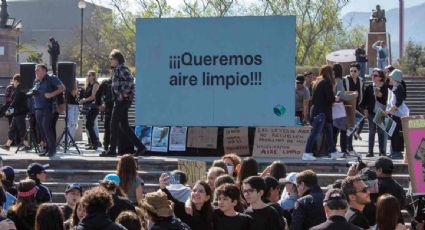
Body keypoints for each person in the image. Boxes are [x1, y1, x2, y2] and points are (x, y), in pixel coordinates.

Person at [104, 49, 146, 156]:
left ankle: (112, 150)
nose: (110, 61)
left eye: (111, 59)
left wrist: (124, 93)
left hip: (122, 100)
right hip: (120, 100)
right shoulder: (117, 69)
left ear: (117, 59)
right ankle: (140, 147)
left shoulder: (121, 69)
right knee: (124, 126)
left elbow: (130, 79)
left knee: (113, 124)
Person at [303, 65, 342, 160]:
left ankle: (333, 151)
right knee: (315, 133)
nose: (333, 73)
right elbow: (329, 99)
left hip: (320, 112)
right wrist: (335, 98)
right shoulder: (327, 83)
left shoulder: (318, 82)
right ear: (329, 73)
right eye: (332, 72)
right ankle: (307, 153)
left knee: (329, 133)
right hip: (322, 113)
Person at [32, 64, 65, 157]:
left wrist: (51, 94)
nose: (36, 72)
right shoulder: (37, 81)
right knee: (42, 129)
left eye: (37, 70)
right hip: (38, 108)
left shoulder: (51, 78)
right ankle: (46, 149)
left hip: (48, 108)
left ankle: (52, 150)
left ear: (44, 71)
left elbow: (62, 88)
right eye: (35, 70)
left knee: (47, 128)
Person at [361, 68, 388, 157]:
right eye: (372, 75)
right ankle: (370, 151)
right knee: (371, 131)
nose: (373, 77)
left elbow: (387, 100)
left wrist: (380, 95)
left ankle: (382, 151)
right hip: (371, 112)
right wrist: (365, 109)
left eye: (375, 75)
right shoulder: (369, 87)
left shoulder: (385, 87)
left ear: (380, 78)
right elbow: (364, 100)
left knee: (381, 132)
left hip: (381, 112)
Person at [0, 74, 29, 151]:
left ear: (16, 81)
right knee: (13, 129)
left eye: (13, 81)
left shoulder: (19, 89)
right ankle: (8, 145)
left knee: (21, 129)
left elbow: (15, 102)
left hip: (19, 112)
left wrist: (9, 111)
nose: (13, 82)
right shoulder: (19, 89)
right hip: (18, 112)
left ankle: (26, 146)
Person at [386, 69, 409, 159]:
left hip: (398, 115)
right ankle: (394, 151)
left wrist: (390, 110)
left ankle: (397, 152)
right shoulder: (395, 86)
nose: (390, 79)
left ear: (395, 78)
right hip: (394, 114)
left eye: (391, 77)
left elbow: (398, 102)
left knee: (396, 134)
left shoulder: (399, 87)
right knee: (393, 133)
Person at [343, 63, 364, 155]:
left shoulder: (361, 81)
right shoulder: (346, 80)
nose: (353, 73)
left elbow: (362, 94)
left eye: (355, 71)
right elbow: (343, 93)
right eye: (351, 71)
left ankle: (351, 144)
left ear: (359, 72)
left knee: (360, 121)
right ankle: (349, 147)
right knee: (349, 127)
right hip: (348, 106)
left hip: (357, 106)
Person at [80, 70, 100, 150]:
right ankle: (92, 143)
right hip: (86, 107)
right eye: (87, 75)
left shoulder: (96, 84)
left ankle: (96, 143)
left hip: (93, 107)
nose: (88, 77)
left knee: (91, 124)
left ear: (94, 76)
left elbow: (93, 96)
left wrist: (84, 100)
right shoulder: (87, 85)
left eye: (90, 75)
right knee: (88, 125)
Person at [332, 63, 349, 155]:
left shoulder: (331, 81)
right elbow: (341, 95)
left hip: (332, 107)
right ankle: (343, 149)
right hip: (339, 108)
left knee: (334, 129)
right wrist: (351, 96)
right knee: (343, 129)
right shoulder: (339, 81)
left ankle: (333, 148)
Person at [96, 75, 114, 152]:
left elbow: (98, 94)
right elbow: (98, 94)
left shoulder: (120, 82)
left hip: (115, 106)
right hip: (110, 106)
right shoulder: (106, 83)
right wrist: (99, 105)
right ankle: (107, 145)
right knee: (108, 127)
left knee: (111, 127)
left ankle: (109, 145)